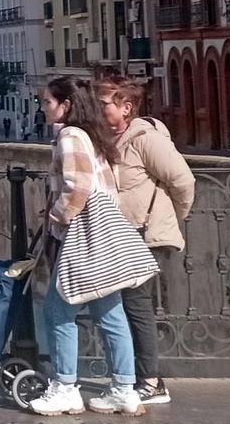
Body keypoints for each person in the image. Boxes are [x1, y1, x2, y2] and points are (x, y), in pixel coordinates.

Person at [30, 76, 143, 417]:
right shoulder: (93, 135)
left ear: (65, 105)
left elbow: (78, 186)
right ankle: (124, 389)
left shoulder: (70, 135)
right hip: (103, 237)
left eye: (47, 102)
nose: (43, 108)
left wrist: (56, 216)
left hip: (81, 237)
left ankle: (65, 387)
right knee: (109, 313)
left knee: (57, 310)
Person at [96, 76, 195, 406]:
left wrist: (170, 220)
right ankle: (137, 377)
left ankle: (149, 381)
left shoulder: (145, 139)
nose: (98, 110)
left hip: (147, 235)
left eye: (103, 104)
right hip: (125, 236)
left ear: (126, 108)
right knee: (126, 307)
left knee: (137, 307)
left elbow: (183, 180)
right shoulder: (110, 140)